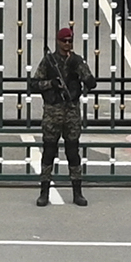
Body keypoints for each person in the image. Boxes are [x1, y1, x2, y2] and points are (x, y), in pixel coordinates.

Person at [33, 29, 93, 208]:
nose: (67, 44)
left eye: (70, 40)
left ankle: (77, 192)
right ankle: (44, 192)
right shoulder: (49, 62)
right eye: (64, 41)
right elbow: (34, 84)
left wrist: (80, 71)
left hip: (72, 112)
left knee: (73, 153)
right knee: (49, 152)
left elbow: (91, 82)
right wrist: (51, 84)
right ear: (58, 42)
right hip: (53, 112)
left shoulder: (76, 60)